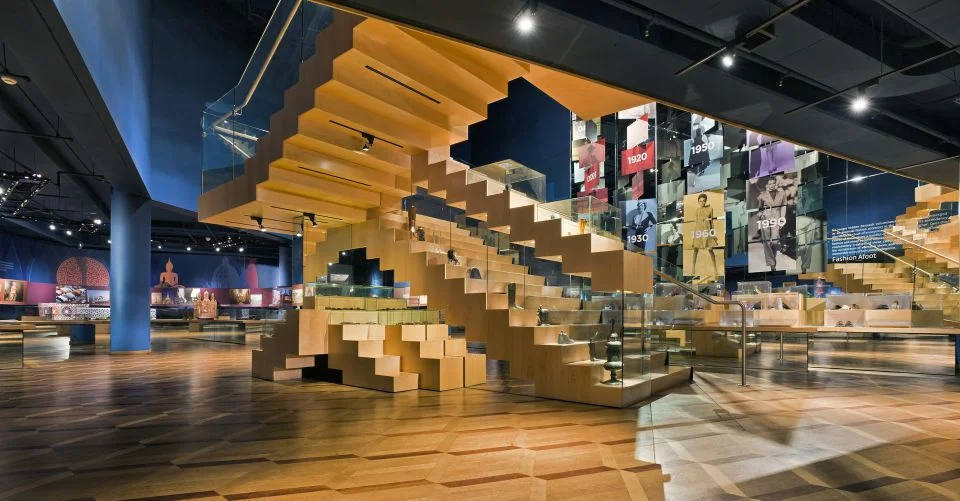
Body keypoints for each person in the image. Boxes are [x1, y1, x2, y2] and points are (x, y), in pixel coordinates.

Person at [756, 177, 786, 271]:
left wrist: (782, 217)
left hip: (776, 219)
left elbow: (784, 206)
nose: (771, 185)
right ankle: (772, 264)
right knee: (767, 242)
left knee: (775, 241)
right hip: (765, 219)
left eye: (773, 183)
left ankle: (772, 258)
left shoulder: (782, 193)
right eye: (769, 184)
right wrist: (761, 215)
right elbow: (759, 209)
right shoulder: (762, 195)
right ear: (766, 185)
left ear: (775, 183)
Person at [690, 193, 719, 278]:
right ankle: (693, 268)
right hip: (698, 231)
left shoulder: (710, 209)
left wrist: (712, 233)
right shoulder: (697, 210)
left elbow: (711, 222)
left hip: (707, 231)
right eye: (700, 201)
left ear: (705, 201)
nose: (701, 202)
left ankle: (715, 269)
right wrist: (695, 234)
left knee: (710, 250)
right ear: (698, 201)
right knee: (695, 250)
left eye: (703, 201)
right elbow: (697, 222)